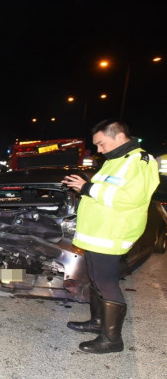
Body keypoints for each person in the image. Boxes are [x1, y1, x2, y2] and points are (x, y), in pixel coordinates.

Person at [62, 119, 159, 354]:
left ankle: (112, 339)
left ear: (119, 136)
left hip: (113, 232)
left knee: (106, 282)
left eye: (101, 144)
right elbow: (105, 192)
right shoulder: (115, 161)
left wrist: (88, 188)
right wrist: (83, 187)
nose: (99, 150)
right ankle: (98, 323)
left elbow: (130, 199)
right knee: (96, 278)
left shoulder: (140, 161)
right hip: (98, 232)